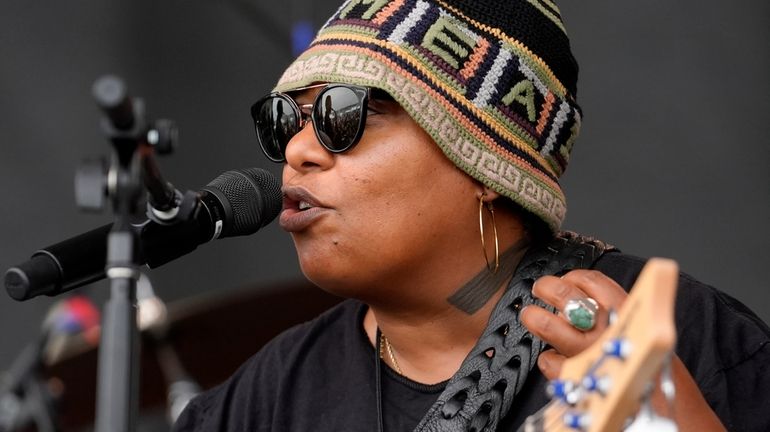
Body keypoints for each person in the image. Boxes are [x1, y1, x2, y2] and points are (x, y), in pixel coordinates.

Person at [174, 0, 770, 430]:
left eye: (341, 116)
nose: (299, 150)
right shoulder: (268, 397)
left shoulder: (689, 338)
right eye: (286, 121)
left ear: (486, 163)